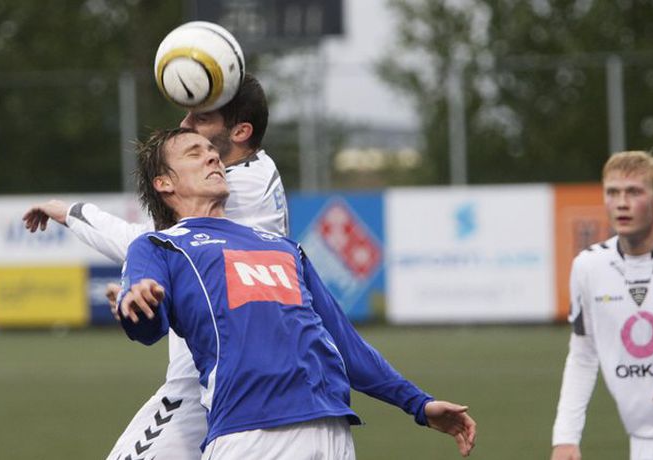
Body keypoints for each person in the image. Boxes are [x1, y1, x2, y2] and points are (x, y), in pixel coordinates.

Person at [118, 127, 477, 458]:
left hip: (332, 429)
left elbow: (346, 344)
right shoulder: (160, 246)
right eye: (194, 153)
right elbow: (146, 327)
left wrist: (418, 403)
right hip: (251, 432)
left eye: (212, 150)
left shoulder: (284, 247)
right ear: (164, 183)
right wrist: (138, 306)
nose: (212, 156)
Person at [22, 74, 288, 460]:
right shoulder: (258, 167)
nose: (185, 123)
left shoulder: (238, 192)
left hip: (204, 381)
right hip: (246, 378)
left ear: (241, 131)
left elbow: (148, 245)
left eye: (201, 118)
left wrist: (71, 213)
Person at [551, 150, 653, 460]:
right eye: (613, 192)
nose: (622, 202)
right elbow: (583, 355)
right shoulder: (588, 267)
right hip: (642, 441)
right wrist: (565, 437)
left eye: (634, 192)